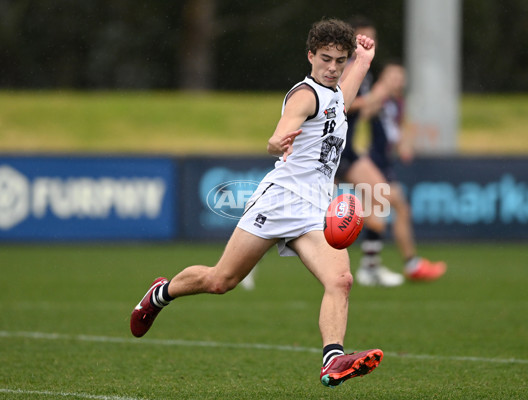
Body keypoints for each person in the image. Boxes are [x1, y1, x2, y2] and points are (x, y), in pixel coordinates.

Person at [130, 18, 383, 388]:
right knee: (221, 280)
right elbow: (281, 130)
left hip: (315, 209)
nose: (332, 67)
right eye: (325, 58)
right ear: (310, 55)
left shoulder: (338, 94)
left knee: (341, 280)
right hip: (279, 202)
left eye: (340, 60)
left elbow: (350, 83)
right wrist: (278, 141)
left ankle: (333, 359)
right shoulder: (306, 94)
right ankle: (160, 293)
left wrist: (363, 58)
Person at [336, 16, 446, 287]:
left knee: (381, 198)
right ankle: (253, 257)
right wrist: (376, 97)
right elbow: (340, 104)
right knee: (301, 211)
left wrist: (383, 103)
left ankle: (372, 266)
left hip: (348, 152)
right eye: (362, 36)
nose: (368, 41)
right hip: (333, 151)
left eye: (371, 36)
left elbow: (364, 111)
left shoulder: (365, 71)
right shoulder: (345, 67)